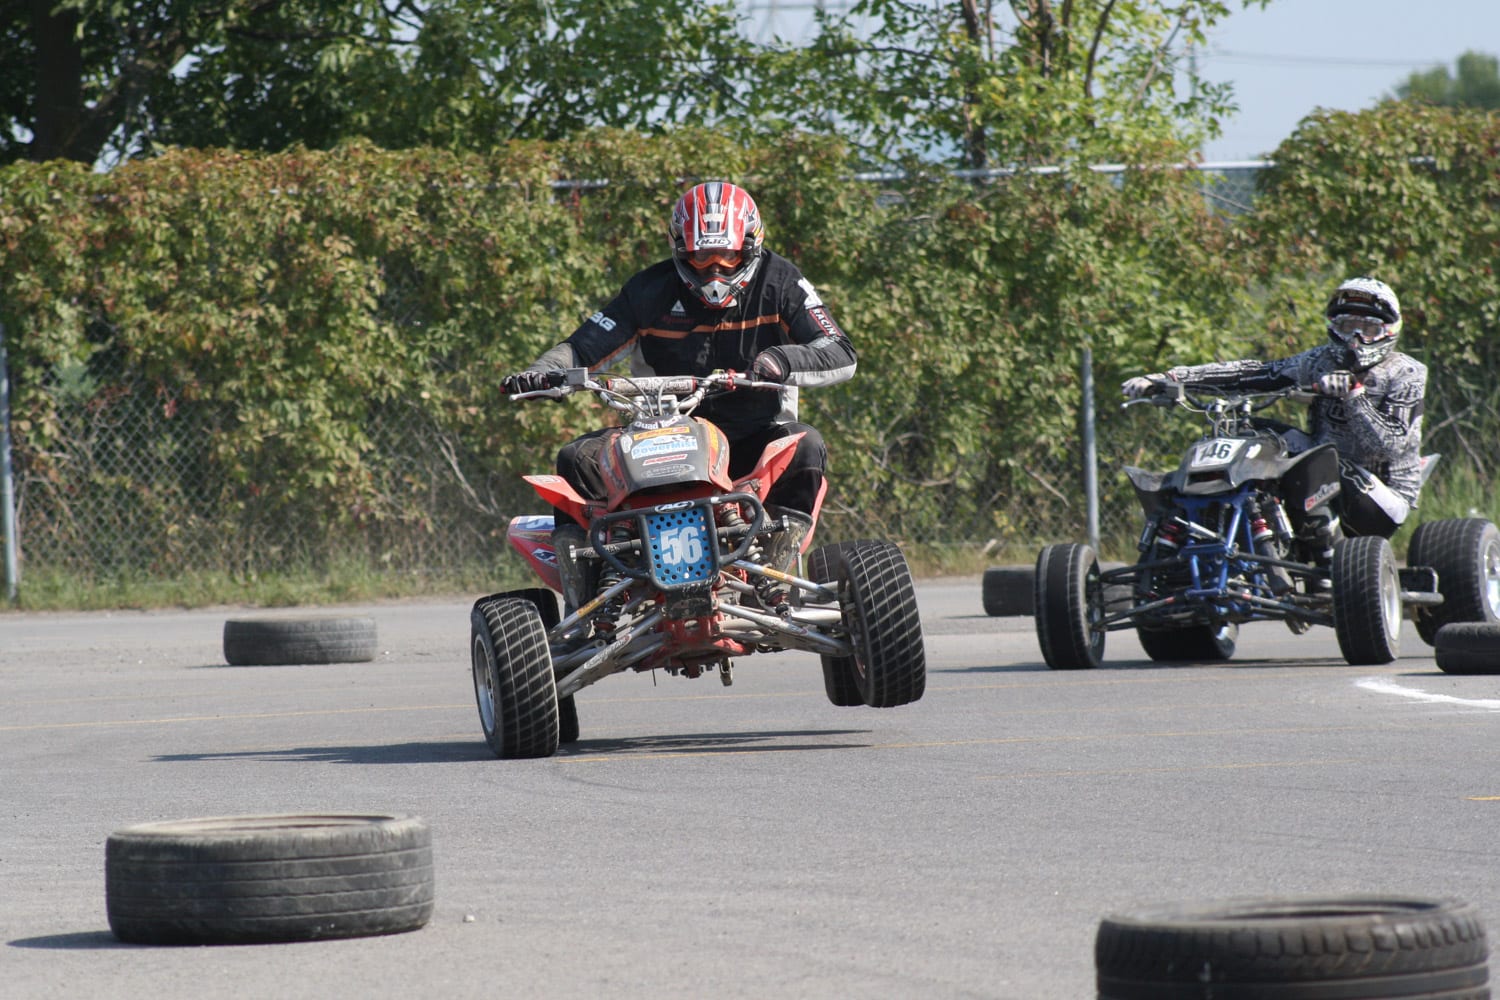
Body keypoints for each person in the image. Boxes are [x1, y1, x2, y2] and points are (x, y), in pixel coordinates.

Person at [501, 180, 857, 607]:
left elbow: (839, 351)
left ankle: (773, 574)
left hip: (751, 438)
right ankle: (591, 602)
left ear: (750, 247)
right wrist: (544, 372)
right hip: (658, 435)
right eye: (702, 257)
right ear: (680, 252)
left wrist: (782, 360)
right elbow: (583, 346)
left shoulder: (781, 282)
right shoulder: (648, 290)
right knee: (574, 460)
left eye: (726, 256)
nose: (715, 270)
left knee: (805, 445)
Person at [1122, 276, 1427, 556]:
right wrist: (1171, 378)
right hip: (1320, 463)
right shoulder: (1318, 361)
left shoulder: (1407, 373)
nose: (1356, 337)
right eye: (1348, 326)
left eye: (1369, 328)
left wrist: (1353, 395)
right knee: (1248, 434)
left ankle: (1326, 550)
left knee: (1322, 460)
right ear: (1335, 326)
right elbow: (1255, 372)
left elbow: (1389, 446)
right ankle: (1230, 525)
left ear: (1388, 331)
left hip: (1383, 495)